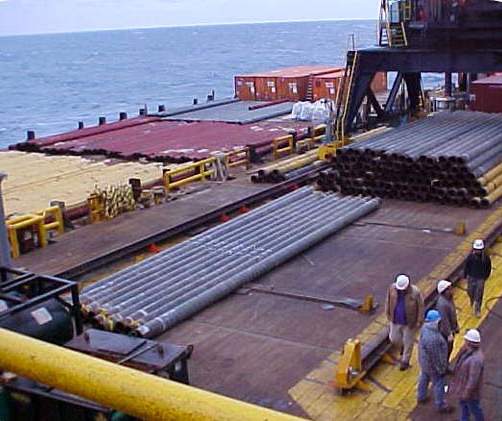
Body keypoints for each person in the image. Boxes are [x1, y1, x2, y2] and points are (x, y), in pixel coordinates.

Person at [385, 274, 424, 370]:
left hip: (409, 323)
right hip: (395, 320)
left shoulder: (415, 292)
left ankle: (405, 361)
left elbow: (420, 306)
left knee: (408, 342)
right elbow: (388, 301)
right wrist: (388, 313)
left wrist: (419, 320)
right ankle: (402, 346)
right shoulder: (392, 289)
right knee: (393, 338)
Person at [417, 309, 452, 413]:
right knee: (438, 383)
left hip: (424, 362)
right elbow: (436, 356)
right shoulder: (433, 338)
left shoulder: (425, 328)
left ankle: (421, 396)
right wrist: (441, 369)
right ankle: (441, 405)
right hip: (433, 366)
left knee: (424, 378)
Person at [449, 329, 485, 421]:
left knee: (474, 408)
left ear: (470, 342)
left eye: (466, 340)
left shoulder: (476, 360)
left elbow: (473, 379)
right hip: (463, 388)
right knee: (464, 406)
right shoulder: (467, 351)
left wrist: (466, 393)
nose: (464, 342)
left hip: (470, 392)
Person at [464, 239, 492, 317]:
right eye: (476, 249)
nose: (478, 251)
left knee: (479, 294)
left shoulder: (486, 258)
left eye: (479, 250)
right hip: (471, 277)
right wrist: (465, 275)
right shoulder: (470, 257)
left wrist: (485, 277)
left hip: (480, 278)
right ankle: (472, 300)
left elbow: (488, 267)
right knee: (470, 291)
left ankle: (477, 309)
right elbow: (467, 265)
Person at [436, 279, 459, 359]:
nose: (451, 290)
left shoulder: (449, 299)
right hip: (445, 333)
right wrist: (449, 334)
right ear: (444, 291)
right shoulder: (442, 304)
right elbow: (444, 320)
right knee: (446, 349)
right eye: (449, 289)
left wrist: (456, 326)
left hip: (451, 329)